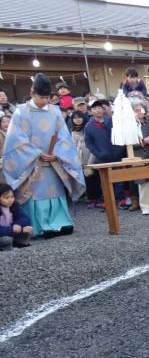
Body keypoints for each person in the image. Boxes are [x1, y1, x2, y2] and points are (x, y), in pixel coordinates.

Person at [1, 73, 85, 238]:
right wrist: (37, 154)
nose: (45, 101)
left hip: (54, 162)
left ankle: (60, 223)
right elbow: (16, 140)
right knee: (35, 193)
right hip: (32, 163)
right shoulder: (20, 112)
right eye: (41, 97)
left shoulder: (55, 111)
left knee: (56, 192)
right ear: (32, 94)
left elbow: (64, 137)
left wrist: (57, 154)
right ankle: (39, 226)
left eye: (47, 97)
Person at [132, 103, 149, 215]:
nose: (139, 112)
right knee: (142, 182)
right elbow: (128, 143)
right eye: (136, 110)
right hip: (138, 154)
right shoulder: (130, 125)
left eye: (140, 109)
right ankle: (145, 206)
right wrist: (142, 142)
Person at [0, 183, 32, 249]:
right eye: (6, 198)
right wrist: (12, 230)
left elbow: (24, 218)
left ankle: (19, 243)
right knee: (6, 239)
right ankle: (7, 246)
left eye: (12, 197)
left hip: (11, 233)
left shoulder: (14, 206)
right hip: (3, 235)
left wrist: (18, 224)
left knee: (28, 228)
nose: (10, 200)